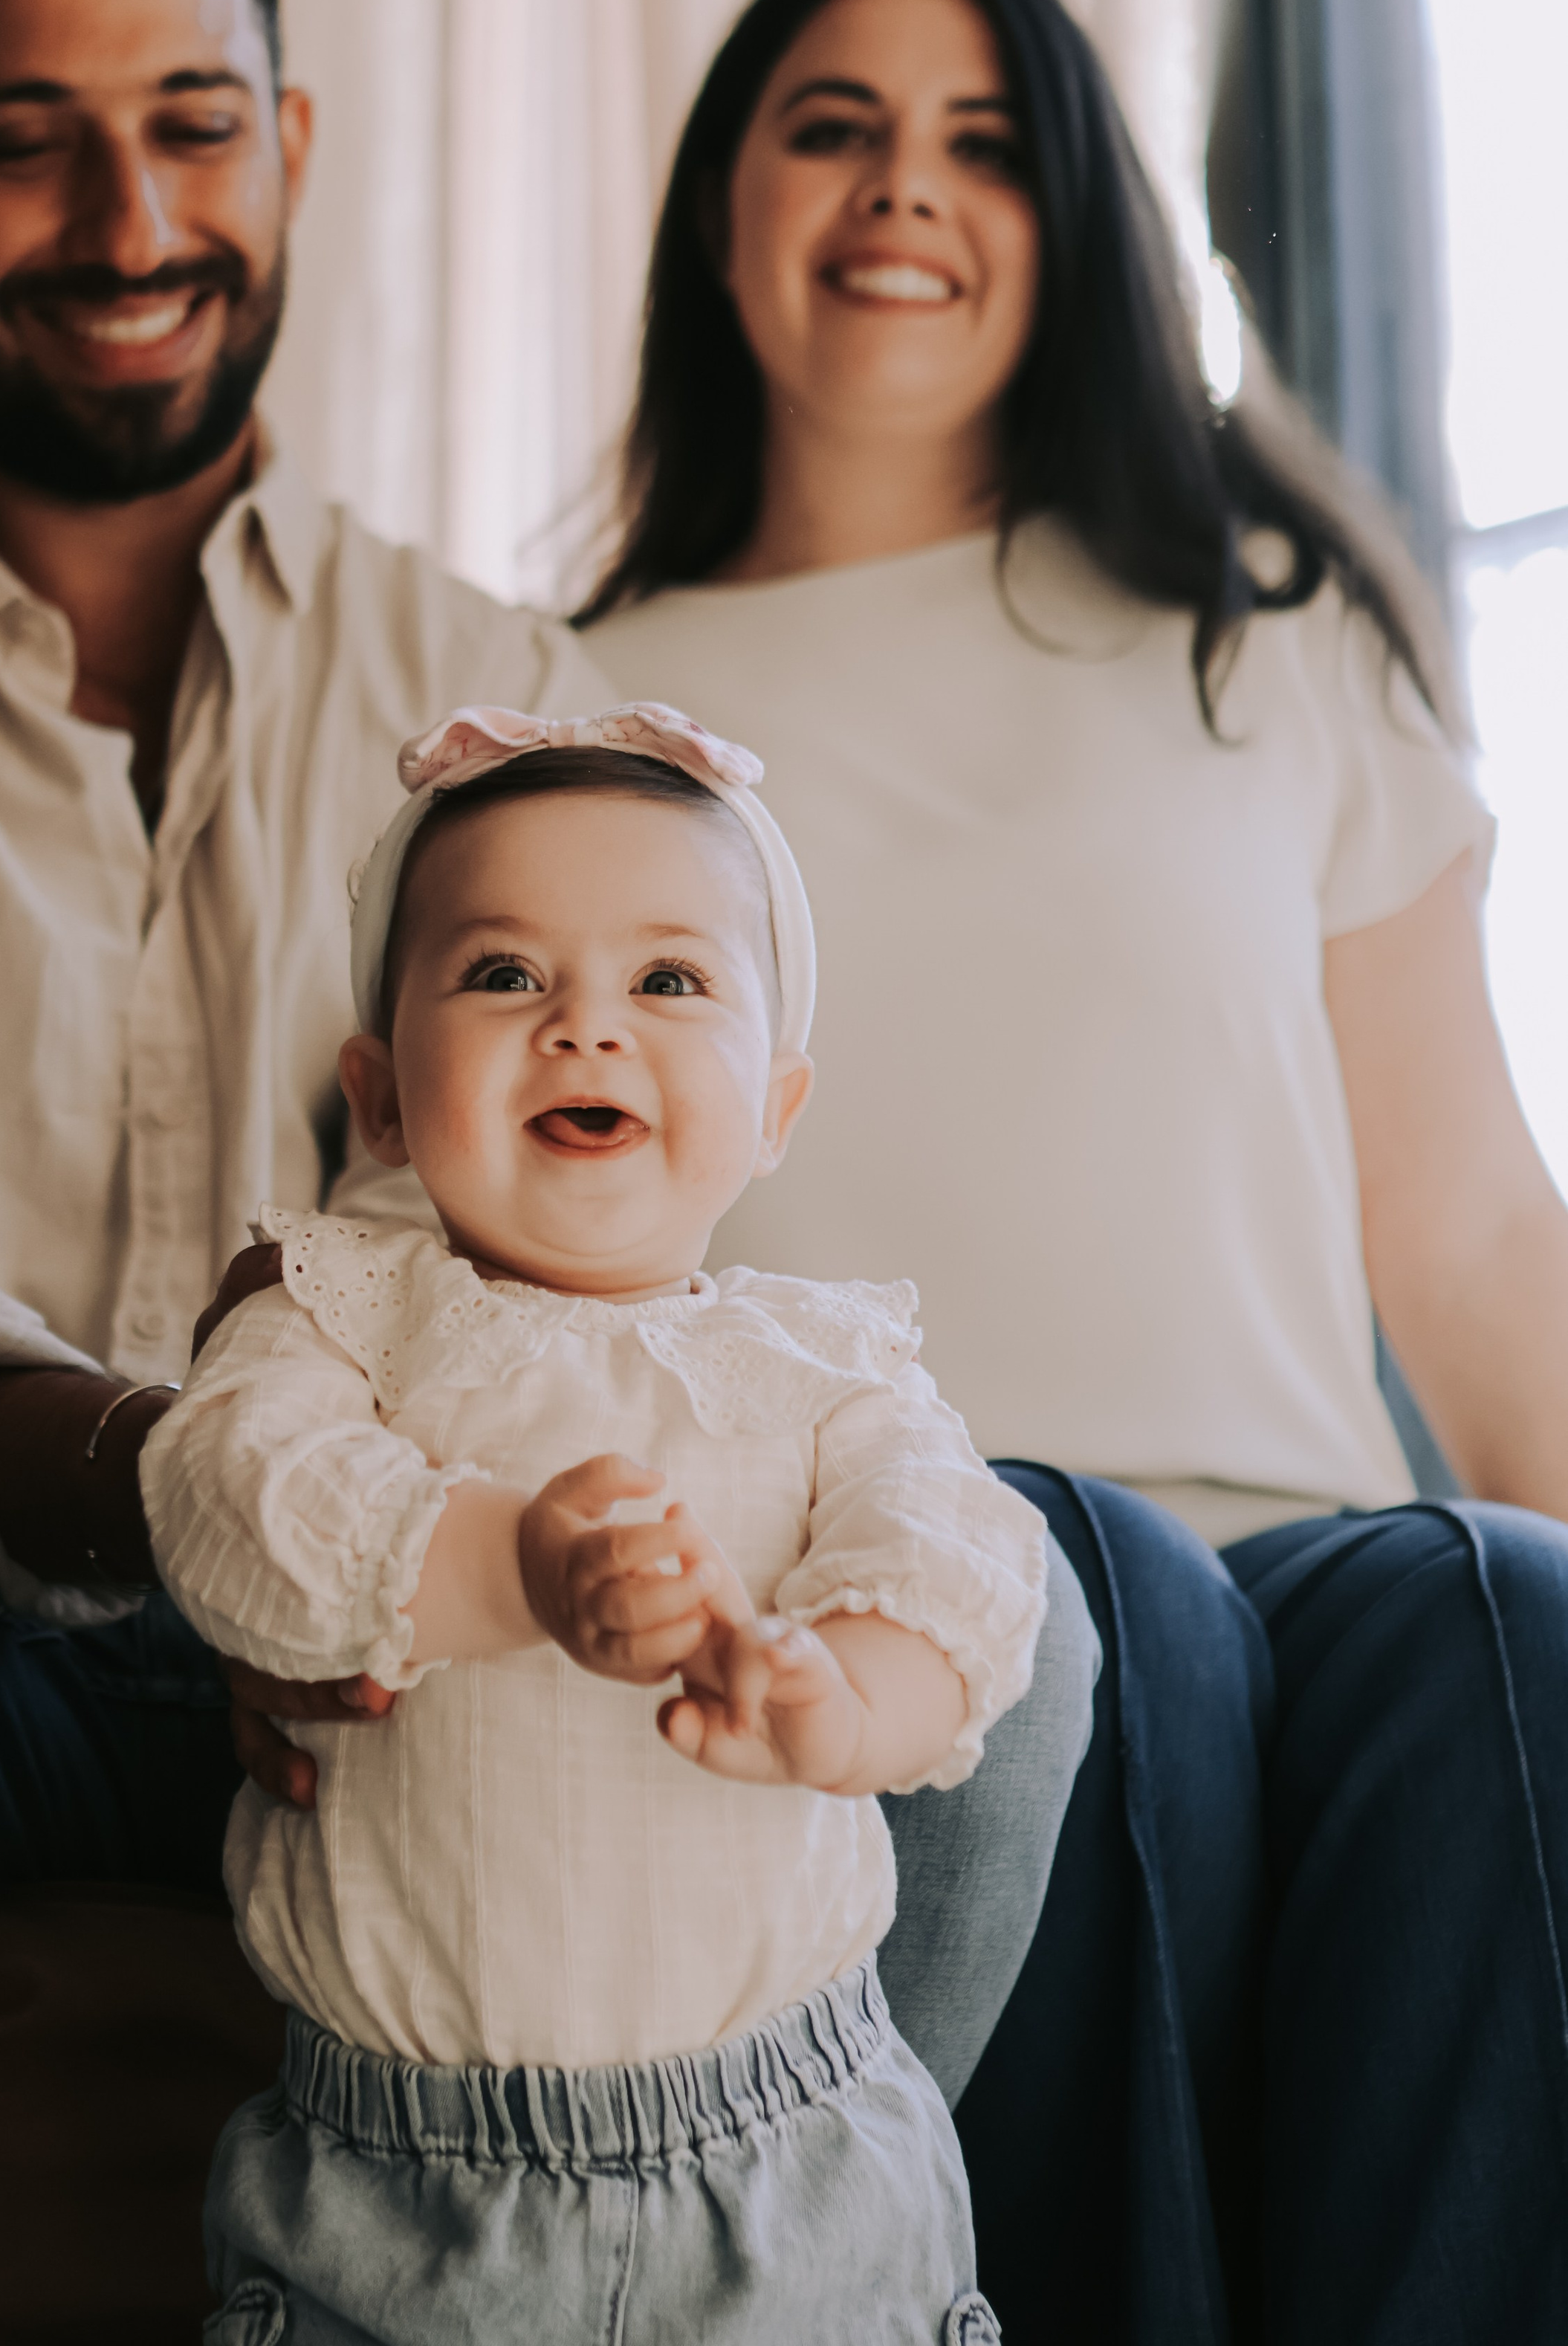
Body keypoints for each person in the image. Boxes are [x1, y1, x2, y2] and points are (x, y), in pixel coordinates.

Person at [0, 0, 1090, 2343]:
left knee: (1030, 1592)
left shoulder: (492, 687)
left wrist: (473, 1556)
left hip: (442, 1647)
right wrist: (237, 1514)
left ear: (290, 144)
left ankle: (808, 2278)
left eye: (192, 124)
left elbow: (593, 1215)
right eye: (25, 141)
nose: (129, 217)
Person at [583, 0, 1568, 2345]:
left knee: (1507, 1603)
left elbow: (1467, 1238)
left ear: (1076, 227)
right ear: (728, 206)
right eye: (835, 125)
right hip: (875, 1603)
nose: (907, 188)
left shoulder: (1275, 640)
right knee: (1092, 1590)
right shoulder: (569, 712)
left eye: (985, 142)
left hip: (1309, 1580)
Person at [143, 701, 1054, 2346]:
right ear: (381, 1096)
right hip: (394, 2201)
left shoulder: (822, 1359)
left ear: (775, 1107)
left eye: (668, 980)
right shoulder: (341, 1312)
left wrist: (843, 1689)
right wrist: (511, 1564)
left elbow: (961, 1553)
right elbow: (226, 1498)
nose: (583, 1029)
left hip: (795, 2173)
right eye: (502, 975)